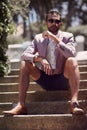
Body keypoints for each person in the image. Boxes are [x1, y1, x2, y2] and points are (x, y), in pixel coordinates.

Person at [3, 9, 84, 115]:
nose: (54, 23)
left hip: (63, 78)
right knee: (25, 63)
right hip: (45, 79)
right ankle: (21, 105)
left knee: (72, 61)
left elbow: (71, 54)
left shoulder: (68, 36)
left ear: (60, 23)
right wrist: (40, 59)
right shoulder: (38, 39)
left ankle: (74, 104)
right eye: (51, 20)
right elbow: (24, 55)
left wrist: (54, 38)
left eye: (57, 21)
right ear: (46, 22)